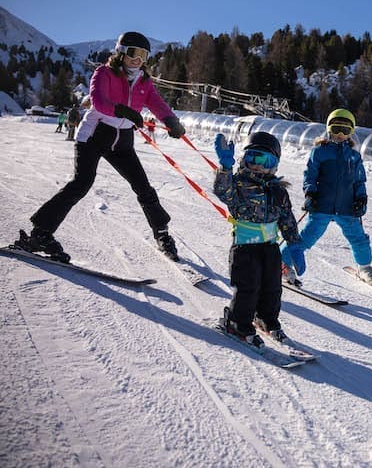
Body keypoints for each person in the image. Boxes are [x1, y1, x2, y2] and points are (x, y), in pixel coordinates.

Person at [16, 31, 186, 262]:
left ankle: (162, 233)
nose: (138, 59)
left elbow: (157, 103)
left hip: (123, 140)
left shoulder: (144, 81)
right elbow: (98, 101)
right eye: (134, 53)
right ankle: (39, 234)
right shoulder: (104, 73)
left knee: (143, 187)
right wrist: (123, 111)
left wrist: (171, 121)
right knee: (81, 183)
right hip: (95, 136)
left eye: (144, 55)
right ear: (121, 52)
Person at [213, 131, 306, 346]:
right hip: (245, 248)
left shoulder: (278, 191)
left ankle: (266, 319)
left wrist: (295, 245)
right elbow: (222, 192)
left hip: (270, 248)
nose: (257, 165)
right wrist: (225, 167)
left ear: (274, 165)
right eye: (252, 158)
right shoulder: (237, 184)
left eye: (265, 160)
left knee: (272, 288)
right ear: (244, 160)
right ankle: (236, 323)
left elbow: (287, 219)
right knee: (248, 287)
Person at [280, 108, 372, 287]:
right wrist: (310, 194)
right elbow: (310, 175)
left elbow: (359, 180)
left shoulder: (354, 156)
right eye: (336, 129)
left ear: (352, 132)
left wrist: (361, 198)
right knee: (307, 237)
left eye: (345, 130)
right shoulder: (320, 152)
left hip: (347, 207)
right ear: (329, 130)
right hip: (322, 205)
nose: (340, 134)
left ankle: (364, 267)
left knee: (358, 238)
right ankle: (282, 262)